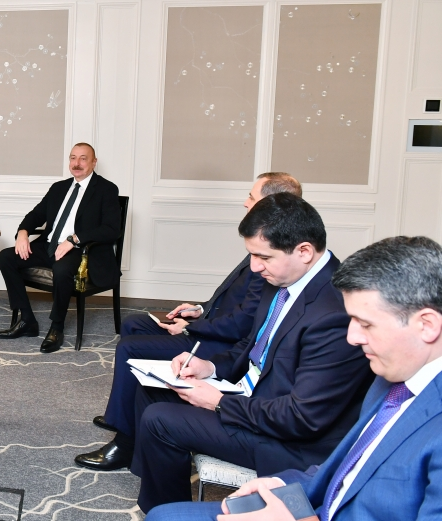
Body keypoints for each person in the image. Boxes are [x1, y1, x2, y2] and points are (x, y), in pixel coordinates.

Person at [95, 194, 373, 512]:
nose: (254, 267)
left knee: (161, 420)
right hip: (252, 396)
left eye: (263, 257)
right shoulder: (283, 277)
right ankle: (164, 502)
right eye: (252, 255)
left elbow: (301, 418)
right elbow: (252, 345)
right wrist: (209, 368)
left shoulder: (335, 313)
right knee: (153, 391)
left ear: (304, 251)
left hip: (290, 441)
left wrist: (219, 402)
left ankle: (168, 513)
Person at [145, 236, 442, 521]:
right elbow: (350, 463)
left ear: (427, 325)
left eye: (365, 324)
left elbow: (304, 418)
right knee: (162, 516)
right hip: (316, 496)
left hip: (298, 466)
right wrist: (282, 483)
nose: (352, 337)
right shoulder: (391, 379)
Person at [79, 173, 300, 462]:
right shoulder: (263, 245)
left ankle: (125, 440)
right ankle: (122, 415)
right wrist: (198, 309)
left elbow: (243, 323)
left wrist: (193, 327)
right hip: (211, 326)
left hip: (220, 343)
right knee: (133, 323)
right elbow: (231, 300)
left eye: (251, 196)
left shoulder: (275, 258)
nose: (245, 202)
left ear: (271, 203)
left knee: (130, 347)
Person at [0, 143, 121, 353]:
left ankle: (57, 327)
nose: (76, 163)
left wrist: (74, 239)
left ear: (94, 162)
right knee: (6, 257)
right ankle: (27, 320)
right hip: (49, 245)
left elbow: (111, 229)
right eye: (73, 158)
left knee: (61, 269)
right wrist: (23, 232)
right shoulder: (59, 188)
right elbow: (36, 215)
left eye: (83, 158)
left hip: (81, 251)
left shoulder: (106, 189)